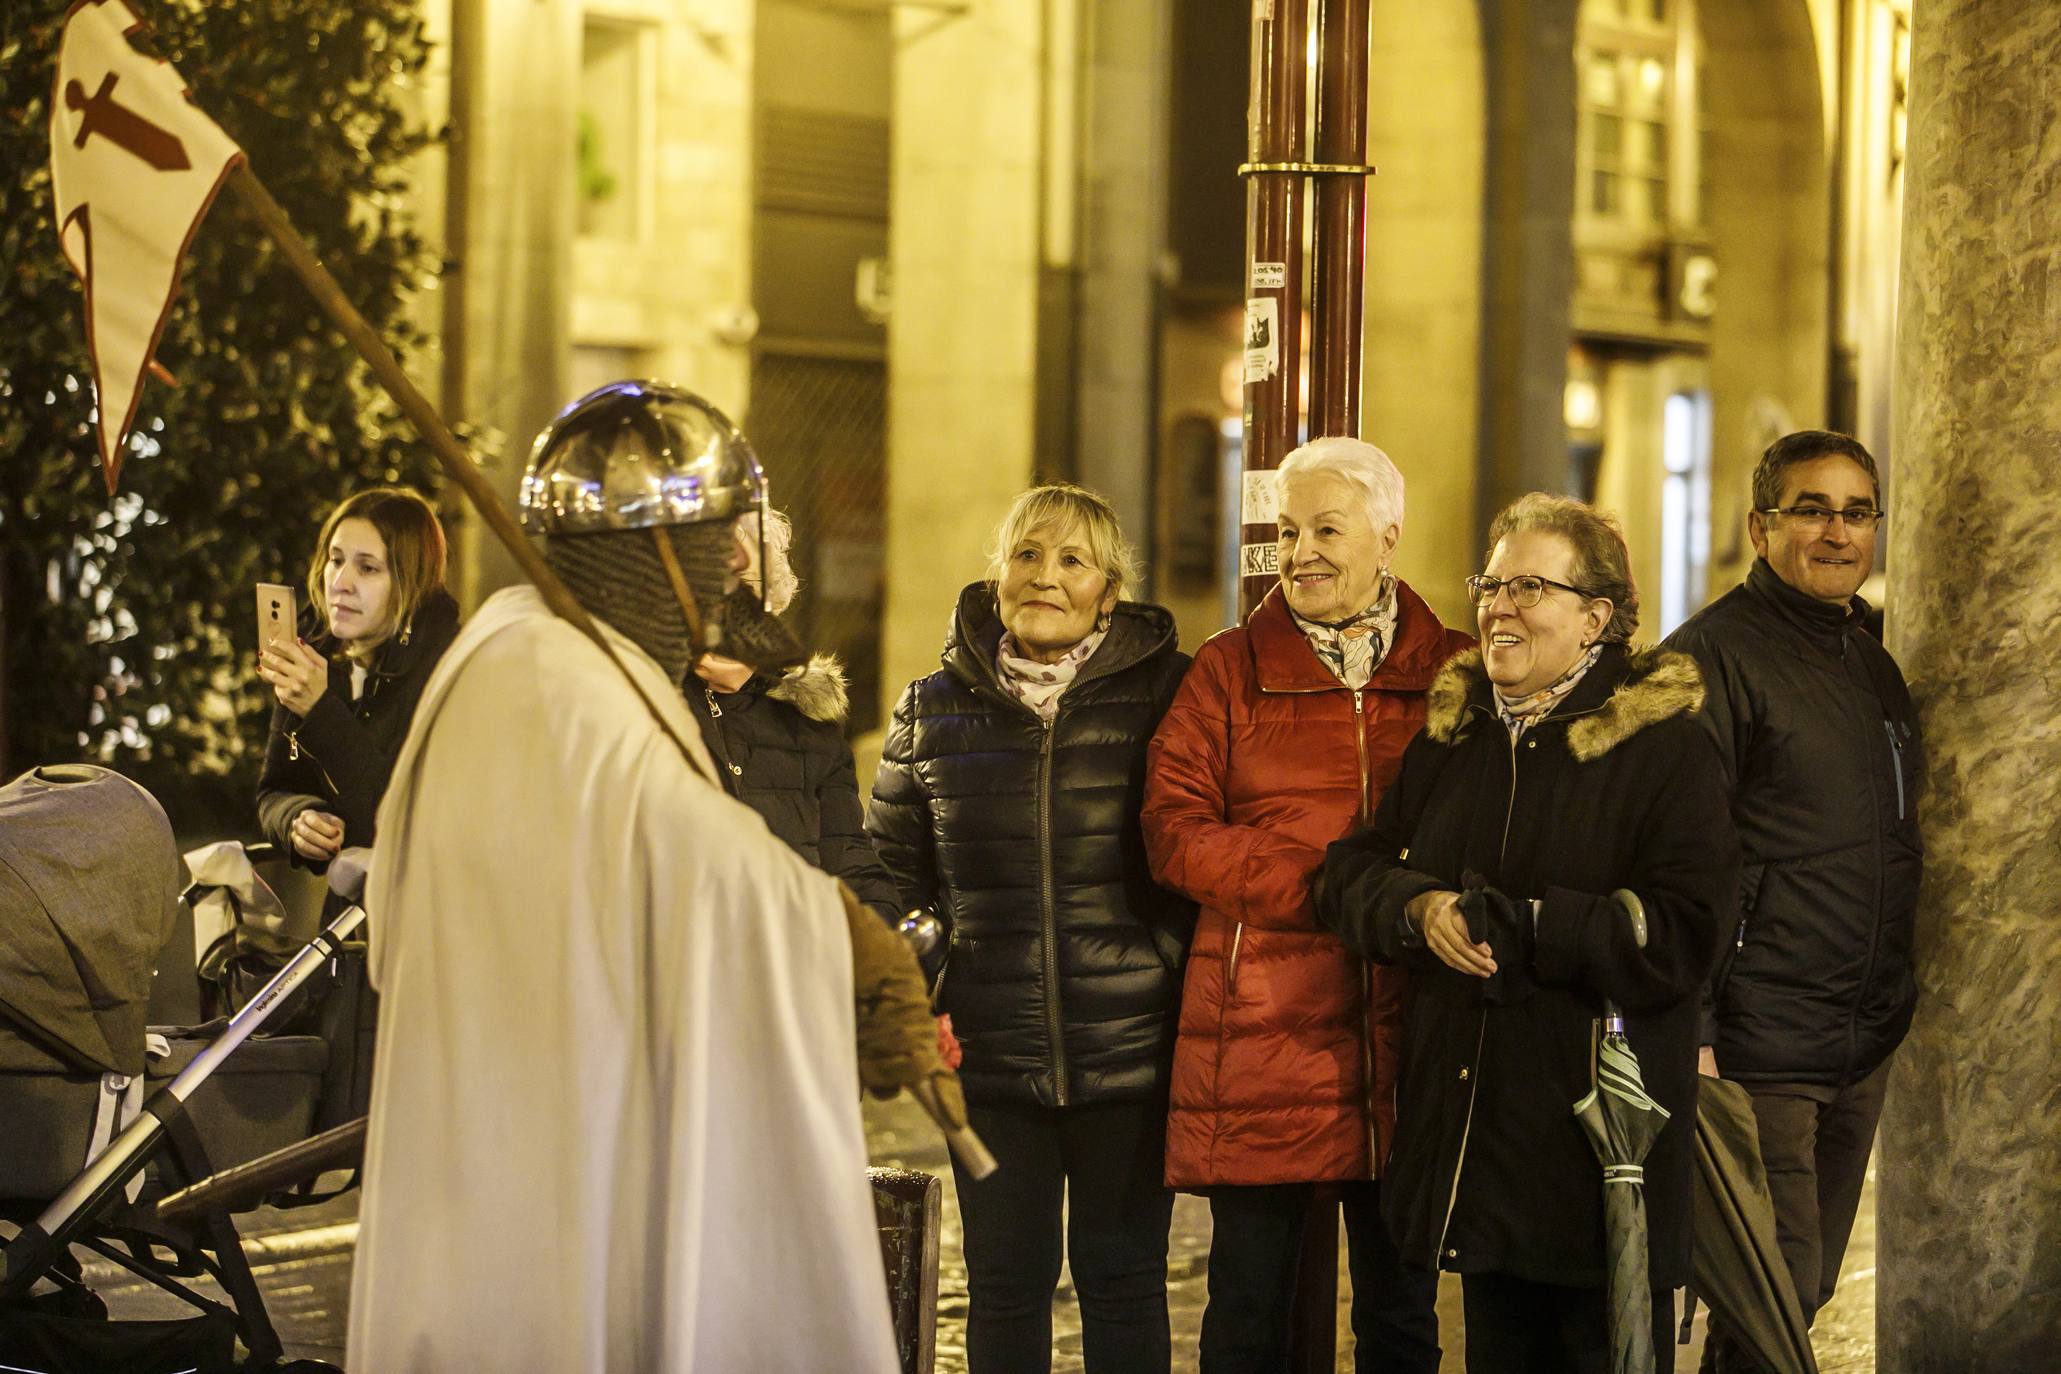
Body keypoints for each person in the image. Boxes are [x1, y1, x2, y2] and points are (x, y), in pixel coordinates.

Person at [348, 382, 953, 1372]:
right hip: (527, 1146)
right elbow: (691, 851)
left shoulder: (566, 661)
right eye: (717, 541)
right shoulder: (543, 675)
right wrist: (843, 937)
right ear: (656, 550)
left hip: (567, 1105)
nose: (732, 569)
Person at [1317, 493, 1738, 1374]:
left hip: (1593, 1150)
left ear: (1595, 619)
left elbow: (1687, 934)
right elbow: (1347, 872)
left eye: (1529, 588)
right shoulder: (1457, 732)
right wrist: (1414, 908)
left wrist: (1535, 927)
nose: (1498, 607)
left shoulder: (1662, 744)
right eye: (1491, 584)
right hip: (1478, 1139)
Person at [1143, 436, 1467, 1373]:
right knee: (1247, 1308)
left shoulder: (1453, 668)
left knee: (1402, 1313)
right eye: (1287, 531)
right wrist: (1336, 890)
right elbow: (1173, 827)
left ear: (1388, 537)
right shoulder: (1228, 667)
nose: (1301, 553)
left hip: (1412, 1023)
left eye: (1327, 528)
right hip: (1264, 1028)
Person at [868, 482, 1193, 1374]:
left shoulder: (1169, 693)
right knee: (1004, 1284)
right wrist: (928, 989)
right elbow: (892, 875)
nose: (1044, 578)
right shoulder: (930, 708)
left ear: (1108, 590)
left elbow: (1194, 849)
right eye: (1026, 555)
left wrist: (1161, 966)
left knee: (1123, 1280)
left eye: (1071, 560)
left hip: (1130, 1048)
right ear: (997, 576)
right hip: (988, 1053)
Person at [1663, 430, 1920, 1364]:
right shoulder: (1708, 659)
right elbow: (1679, 860)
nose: (1836, 531)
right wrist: (1692, 1030)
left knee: (1795, 1292)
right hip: (1756, 1038)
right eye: (1809, 508)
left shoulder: (1870, 662)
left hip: (1858, 1033)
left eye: (1856, 511)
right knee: (1772, 1288)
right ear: (1759, 526)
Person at [686, 509, 902, 923]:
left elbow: (850, 861)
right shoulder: (648, 702)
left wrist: (879, 945)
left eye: (744, 588)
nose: (724, 605)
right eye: (706, 586)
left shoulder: (805, 719)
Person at [255, 486, 458, 873]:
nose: (340, 582)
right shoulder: (320, 657)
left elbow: (399, 821)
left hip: (422, 916)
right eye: (335, 560)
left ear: (408, 582)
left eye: (367, 568)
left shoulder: (446, 672)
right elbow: (274, 790)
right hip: (346, 919)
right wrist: (299, 819)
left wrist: (319, 712)